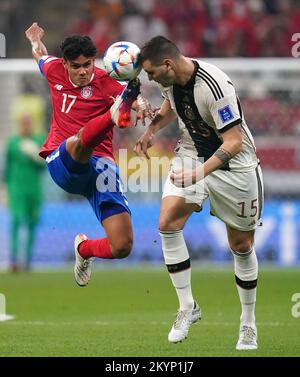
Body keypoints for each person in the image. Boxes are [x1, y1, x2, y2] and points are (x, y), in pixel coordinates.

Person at [135, 36, 263, 350]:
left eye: (150, 73)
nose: (148, 79)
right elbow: (170, 105)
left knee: (242, 244)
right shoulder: (170, 79)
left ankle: (248, 324)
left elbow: (232, 142)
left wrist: (198, 174)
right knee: (167, 223)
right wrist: (150, 130)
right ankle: (187, 307)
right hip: (191, 153)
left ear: (167, 64)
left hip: (235, 166)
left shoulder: (214, 87)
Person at [25, 22, 152, 286]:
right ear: (66, 64)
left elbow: (135, 97)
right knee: (78, 142)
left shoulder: (107, 81)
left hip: (101, 168)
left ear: (94, 61)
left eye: (88, 64)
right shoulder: (54, 70)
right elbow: (40, 54)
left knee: (122, 246)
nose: (83, 71)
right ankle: (112, 115)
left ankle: (83, 251)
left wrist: (140, 103)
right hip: (63, 162)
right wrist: (35, 39)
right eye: (76, 66)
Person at [4, 113, 45, 272]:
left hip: (34, 189)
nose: (26, 126)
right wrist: (4, 189)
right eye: (24, 123)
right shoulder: (13, 143)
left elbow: (43, 167)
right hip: (16, 189)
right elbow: (6, 168)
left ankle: (27, 261)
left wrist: (36, 156)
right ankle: (14, 260)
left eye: (28, 123)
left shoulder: (39, 141)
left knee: (32, 224)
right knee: (16, 220)